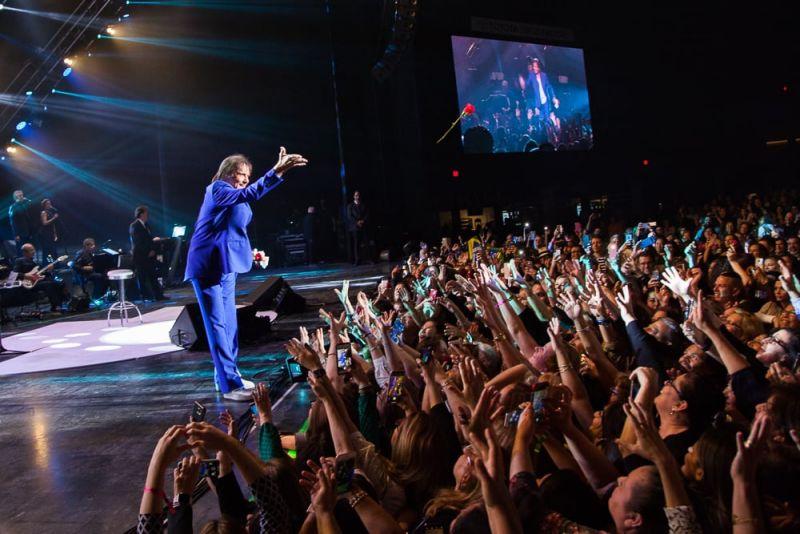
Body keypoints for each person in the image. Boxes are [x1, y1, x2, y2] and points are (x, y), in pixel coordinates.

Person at [184, 147, 307, 400]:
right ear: (228, 172)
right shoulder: (218, 188)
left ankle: (227, 376)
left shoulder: (236, 195)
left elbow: (230, 230)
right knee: (217, 325)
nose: (244, 180)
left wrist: (251, 253)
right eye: (241, 174)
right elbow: (252, 193)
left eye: (247, 177)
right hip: (208, 266)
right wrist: (277, 171)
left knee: (229, 324)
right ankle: (230, 386)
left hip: (226, 267)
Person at [13, 243, 65, 314]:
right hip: (28, 284)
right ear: (25, 252)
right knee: (49, 284)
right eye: (31, 250)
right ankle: (55, 307)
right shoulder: (19, 261)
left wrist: (49, 270)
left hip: (37, 282)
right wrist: (26, 275)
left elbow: (41, 274)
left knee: (58, 282)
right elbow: (14, 274)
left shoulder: (34, 262)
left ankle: (61, 304)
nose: (34, 251)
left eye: (33, 249)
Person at [129, 205, 166, 302]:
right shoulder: (135, 226)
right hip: (140, 256)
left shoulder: (146, 225)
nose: (147, 215)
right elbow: (138, 242)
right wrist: (148, 251)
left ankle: (158, 295)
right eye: (146, 213)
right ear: (141, 214)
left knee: (153, 275)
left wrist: (153, 249)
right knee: (142, 278)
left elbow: (149, 239)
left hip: (149, 255)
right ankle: (145, 297)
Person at [8, 190, 35, 256]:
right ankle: (22, 265)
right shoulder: (13, 207)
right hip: (20, 233)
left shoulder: (24, 205)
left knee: (29, 249)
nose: (21, 196)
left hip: (28, 232)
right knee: (21, 251)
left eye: (22, 195)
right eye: (19, 195)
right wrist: (16, 234)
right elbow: (13, 222)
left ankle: (30, 264)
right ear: (15, 197)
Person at [346, 190, 368, 265]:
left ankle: (366, 258)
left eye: (358, 195)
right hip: (354, 227)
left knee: (365, 242)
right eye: (356, 195)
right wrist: (357, 222)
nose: (357, 197)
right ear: (354, 196)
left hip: (363, 226)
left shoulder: (363, 205)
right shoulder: (350, 206)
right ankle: (357, 260)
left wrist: (362, 221)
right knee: (356, 244)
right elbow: (349, 216)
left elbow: (366, 214)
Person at [39, 198, 64, 263]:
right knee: (48, 250)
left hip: (51, 233)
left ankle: (54, 264)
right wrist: (54, 218)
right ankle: (48, 264)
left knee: (53, 250)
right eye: (48, 204)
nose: (50, 205)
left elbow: (53, 225)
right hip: (45, 234)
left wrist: (55, 234)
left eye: (50, 203)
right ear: (44, 205)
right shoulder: (43, 212)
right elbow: (44, 223)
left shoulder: (51, 212)